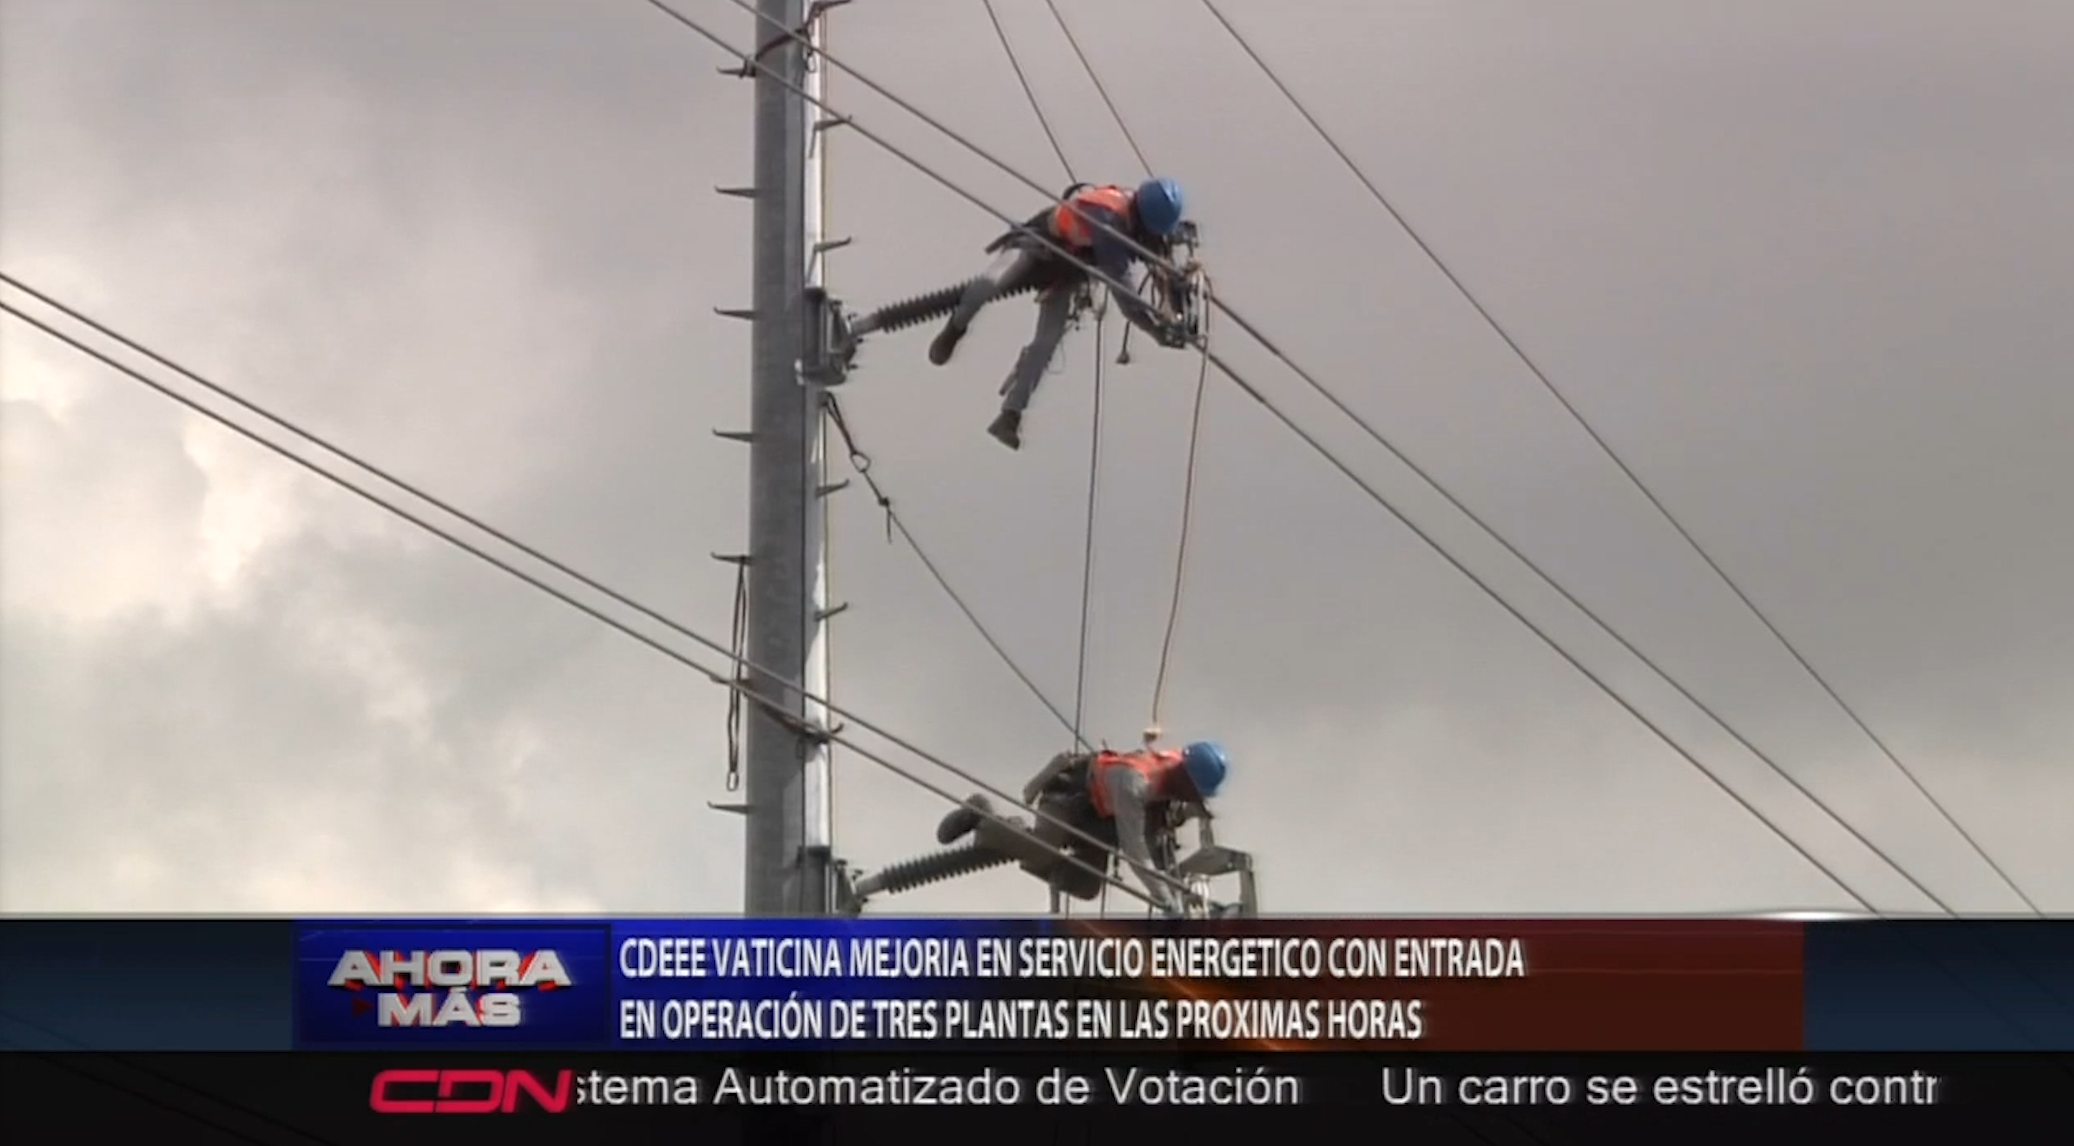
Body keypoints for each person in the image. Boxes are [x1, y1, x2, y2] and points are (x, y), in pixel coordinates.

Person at [928, 177, 1195, 450]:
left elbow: (1160, 253)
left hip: (1065, 271)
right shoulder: (1109, 220)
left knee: (1047, 340)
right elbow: (1126, 296)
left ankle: (1010, 415)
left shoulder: (1139, 221)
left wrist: (1177, 283)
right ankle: (954, 329)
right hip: (1036, 243)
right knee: (990, 283)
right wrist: (1155, 330)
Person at [939, 739, 1230, 915]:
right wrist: (1166, 900)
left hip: (1097, 820)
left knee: (1085, 884)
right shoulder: (1135, 783)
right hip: (1070, 795)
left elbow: (1159, 841)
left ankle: (1034, 855)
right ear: (1185, 780)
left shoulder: (1172, 773)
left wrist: (1176, 889)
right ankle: (982, 815)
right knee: (1043, 846)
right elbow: (1136, 851)